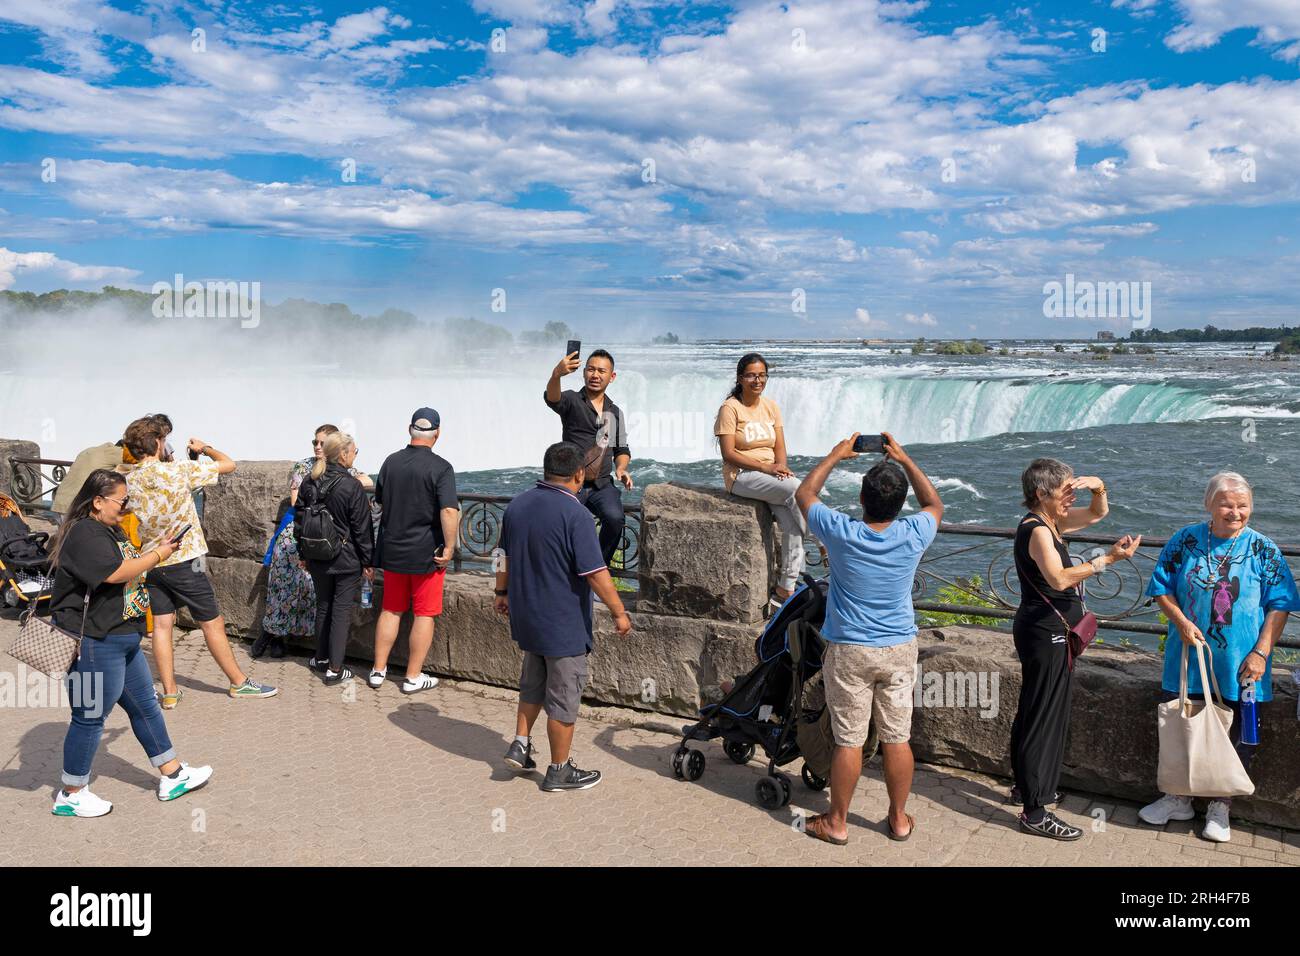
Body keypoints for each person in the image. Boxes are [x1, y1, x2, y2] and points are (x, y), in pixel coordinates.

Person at [793, 432, 941, 845]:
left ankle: (837, 822)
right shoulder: (913, 532)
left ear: (861, 500)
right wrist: (906, 457)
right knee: (897, 737)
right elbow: (935, 504)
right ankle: (897, 819)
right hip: (897, 648)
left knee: (849, 739)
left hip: (851, 649)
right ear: (900, 503)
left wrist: (839, 454)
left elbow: (805, 492)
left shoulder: (841, 531)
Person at [1138, 472, 1299, 843]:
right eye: (1227, 503)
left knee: (1239, 732)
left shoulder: (1263, 549)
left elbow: (1280, 604)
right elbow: (1161, 587)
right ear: (1209, 504)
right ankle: (1177, 797)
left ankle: (1220, 806)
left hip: (1242, 663)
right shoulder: (1185, 540)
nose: (1235, 512)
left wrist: (1262, 652)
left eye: (1243, 505)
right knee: (1181, 723)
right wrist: (1180, 622)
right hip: (1189, 656)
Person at [47, 469, 212, 817]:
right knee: (89, 716)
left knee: (145, 707)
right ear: (97, 501)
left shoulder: (109, 528)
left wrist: (158, 546)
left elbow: (128, 563)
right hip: (93, 641)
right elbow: (115, 573)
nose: (127, 508)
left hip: (123, 636)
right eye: (122, 502)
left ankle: (173, 774)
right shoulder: (84, 533)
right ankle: (71, 792)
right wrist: (160, 555)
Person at [1010, 458, 1139, 840]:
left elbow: (1097, 515)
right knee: (1042, 718)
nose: (1071, 497)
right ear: (1040, 493)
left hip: (1048, 631)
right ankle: (1035, 810)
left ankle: (1026, 787)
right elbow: (1060, 578)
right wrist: (1109, 560)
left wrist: (1098, 487)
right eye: (1065, 490)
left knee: (1035, 710)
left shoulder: (1053, 523)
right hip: (1043, 633)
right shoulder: (1038, 531)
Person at [494, 442, 633, 791]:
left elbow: (501, 556)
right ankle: (559, 769)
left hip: (526, 616)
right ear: (579, 475)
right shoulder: (577, 515)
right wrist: (619, 612)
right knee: (564, 694)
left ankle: (521, 744)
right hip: (563, 623)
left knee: (533, 684)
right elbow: (595, 572)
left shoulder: (516, 506)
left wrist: (500, 592)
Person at [121, 417, 277, 704]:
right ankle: (239, 683)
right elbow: (229, 464)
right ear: (156, 443)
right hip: (184, 560)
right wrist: (205, 448)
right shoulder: (179, 471)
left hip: (153, 561)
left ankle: (169, 693)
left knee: (163, 625)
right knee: (212, 623)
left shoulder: (129, 479)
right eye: (163, 440)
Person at [252, 424, 374, 659]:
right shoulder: (306, 467)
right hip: (302, 537)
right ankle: (272, 635)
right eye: (315, 442)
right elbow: (298, 501)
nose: (318, 447)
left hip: (317, 539)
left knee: (312, 596)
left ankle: (303, 647)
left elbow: (366, 479)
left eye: (322, 443)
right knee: (283, 588)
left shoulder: (334, 471)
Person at [370, 408, 459, 694]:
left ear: (410, 430)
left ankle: (377, 670)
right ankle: (412, 677)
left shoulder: (390, 462)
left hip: (392, 550)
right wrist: (449, 547)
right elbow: (448, 509)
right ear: (437, 433)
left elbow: (380, 501)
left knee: (391, 609)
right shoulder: (441, 468)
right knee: (424, 614)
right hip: (426, 554)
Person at [716, 352, 809, 609]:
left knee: (791, 522)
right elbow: (729, 453)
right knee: (797, 489)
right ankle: (825, 539)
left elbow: (780, 446)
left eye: (762, 375)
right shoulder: (730, 408)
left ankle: (785, 587)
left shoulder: (771, 406)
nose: (757, 380)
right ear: (740, 378)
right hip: (742, 476)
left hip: (770, 476)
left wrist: (781, 468)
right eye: (751, 375)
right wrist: (767, 468)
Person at [295, 432, 374, 685]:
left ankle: (320, 659)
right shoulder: (351, 486)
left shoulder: (309, 481)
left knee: (323, 607)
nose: (355, 455)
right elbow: (363, 530)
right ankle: (335, 669)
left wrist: (303, 554)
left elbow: (300, 522)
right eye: (354, 451)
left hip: (317, 556)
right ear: (343, 454)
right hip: (345, 558)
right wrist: (368, 562)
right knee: (340, 611)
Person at [545, 347, 633, 567]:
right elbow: (552, 398)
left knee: (614, 518)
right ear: (584, 372)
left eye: (601, 371)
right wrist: (557, 374)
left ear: (611, 377)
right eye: (591, 370)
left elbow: (622, 449)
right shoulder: (572, 400)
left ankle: (596, 569)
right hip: (570, 483)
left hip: (601, 485)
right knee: (558, 525)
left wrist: (621, 468)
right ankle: (559, 571)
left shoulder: (614, 412)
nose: (595, 375)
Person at [52, 440, 127, 517]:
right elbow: (136, 464)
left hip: (61, 500)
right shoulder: (117, 452)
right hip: (79, 504)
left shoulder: (90, 450)